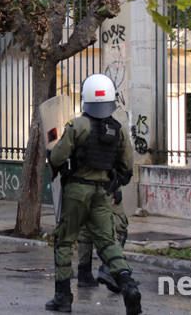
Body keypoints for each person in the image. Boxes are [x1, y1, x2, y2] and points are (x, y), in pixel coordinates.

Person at [46, 74, 141, 314]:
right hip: (103, 193)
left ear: (85, 98)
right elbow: (127, 166)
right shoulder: (117, 129)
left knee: (65, 240)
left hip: (77, 191)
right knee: (108, 242)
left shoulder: (77, 125)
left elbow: (56, 157)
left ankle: (63, 297)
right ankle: (128, 286)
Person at [77, 120, 133, 288]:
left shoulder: (75, 126)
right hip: (106, 188)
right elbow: (127, 162)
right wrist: (119, 182)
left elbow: (59, 155)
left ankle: (84, 273)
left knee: (85, 230)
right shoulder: (115, 127)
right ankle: (110, 269)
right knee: (119, 226)